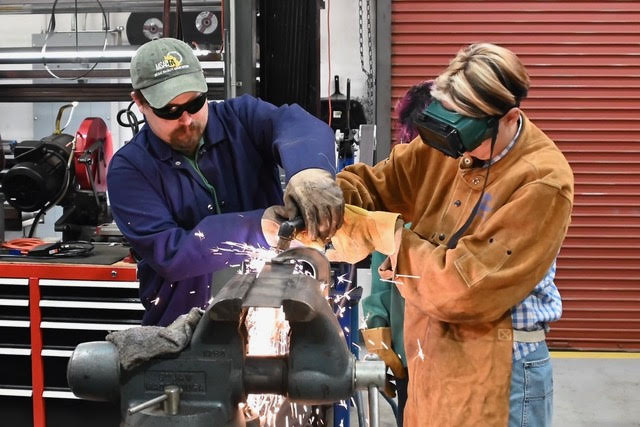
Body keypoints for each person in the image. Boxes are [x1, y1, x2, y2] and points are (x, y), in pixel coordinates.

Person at [288, 43, 573, 426]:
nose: (456, 150)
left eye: (468, 135)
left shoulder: (541, 181)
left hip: (502, 364)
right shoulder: (449, 145)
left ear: (509, 119)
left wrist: (384, 233)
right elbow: (379, 184)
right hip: (432, 348)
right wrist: (324, 191)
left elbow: (465, 290)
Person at [107, 37, 343, 327]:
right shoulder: (130, 169)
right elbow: (171, 253)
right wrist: (260, 227)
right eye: (169, 110)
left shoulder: (241, 119)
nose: (186, 119)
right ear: (140, 102)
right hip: (185, 328)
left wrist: (309, 171)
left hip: (274, 315)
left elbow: (296, 124)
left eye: (195, 103)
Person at [360, 80, 433, 427]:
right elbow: (380, 269)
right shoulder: (402, 184)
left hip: (433, 355)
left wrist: (380, 331)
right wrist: (381, 339)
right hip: (412, 353)